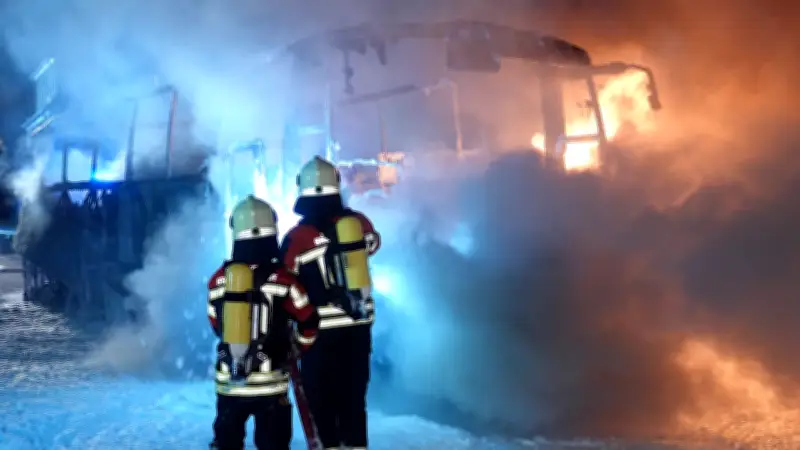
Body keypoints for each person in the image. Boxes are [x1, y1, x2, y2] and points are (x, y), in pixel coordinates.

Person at [281, 156, 381, 450]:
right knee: (353, 400)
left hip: (320, 332)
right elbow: (374, 243)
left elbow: (286, 279)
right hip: (358, 325)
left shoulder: (297, 237)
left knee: (321, 401)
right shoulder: (358, 223)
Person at [207, 195, 320, 450]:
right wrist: (298, 347)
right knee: (273, 444)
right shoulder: (284, 280)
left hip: (229, 383)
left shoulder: (218, 280)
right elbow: (308, 319)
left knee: (227, 443)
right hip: (271, 384)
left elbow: (216, 324)